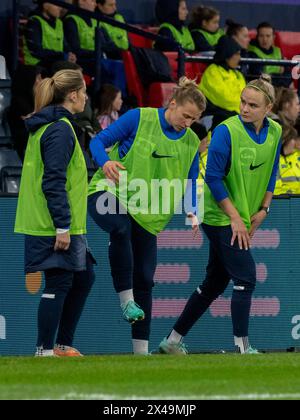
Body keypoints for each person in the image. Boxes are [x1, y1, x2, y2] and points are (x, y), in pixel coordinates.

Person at [159, 76, 282, 355]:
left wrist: (264, 208)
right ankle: (242, 347)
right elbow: (213, 178)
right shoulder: (226, 131)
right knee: (247, 277)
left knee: (214, 283)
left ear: (268, 108)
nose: (245, 108)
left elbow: (272, 170)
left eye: (253, 105)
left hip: (245, 214)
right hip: (218, 216)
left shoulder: (274, 131)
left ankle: (172, 341)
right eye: (242, 102)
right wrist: (236, 218)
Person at [88, 77, 206, 355]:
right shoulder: (138, 118)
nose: (188, 122)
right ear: (172, 103)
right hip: (108, 192)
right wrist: (105, 162)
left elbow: (191, 179)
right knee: (119, 229)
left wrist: (192, 210)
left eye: (195, 118)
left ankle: (141, 354)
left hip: (148, 213)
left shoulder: (191, 140)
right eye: (185, 115)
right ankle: (126, 301)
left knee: (145, 278)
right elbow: (98, 141)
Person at [14, 69, 95, 357]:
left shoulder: (54, 125)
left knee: (84, 277)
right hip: (52, 223)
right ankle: (45, 350)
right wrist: (62, 226)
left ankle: (60, 345)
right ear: (73, 95)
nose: (86, 97)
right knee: (60, 281)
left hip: (60, 221)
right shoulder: (60, 128)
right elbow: (53, 180)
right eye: (84, 92)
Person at [199, 35, 246, 129]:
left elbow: (246, 96)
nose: (239, 58)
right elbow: (224, 99)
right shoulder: (212, 71)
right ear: (227, 54)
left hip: (237, 113)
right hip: (214, 115)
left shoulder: (237, 74)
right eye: (236, 54)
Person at [23, 0, 76, 71]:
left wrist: (70, 55)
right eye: (57, 5)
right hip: (36, 66)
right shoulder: (34, 22)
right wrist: (62, 56)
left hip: (55, 63)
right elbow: (37, 51)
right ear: (45, 5)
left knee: (77, 69)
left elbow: (65, 46)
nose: (60, 8)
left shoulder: (59, 23)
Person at [7, 64, 44, 161]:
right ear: (29, 81)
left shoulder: (37, 102)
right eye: (38, 78)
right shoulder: (19, 105)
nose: (41, 82)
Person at [248, 22, 291, 87]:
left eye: (268, 36)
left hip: (279, 89)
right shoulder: (252, 51)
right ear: (257, 37)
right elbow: (260, 78)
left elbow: (288, 75)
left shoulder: (277, 51)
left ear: (273, 37)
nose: (264, 39)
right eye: (261, 36)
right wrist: (279, 73)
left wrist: (268, 74)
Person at [63, 0, 98, 77]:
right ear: (81, 1)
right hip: (82, 61)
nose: (95, 4)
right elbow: (75, 50)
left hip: (96, 59)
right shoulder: (71, 20)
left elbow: (105, 44)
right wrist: (97, 53)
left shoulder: (95, 21)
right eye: (92, 1)